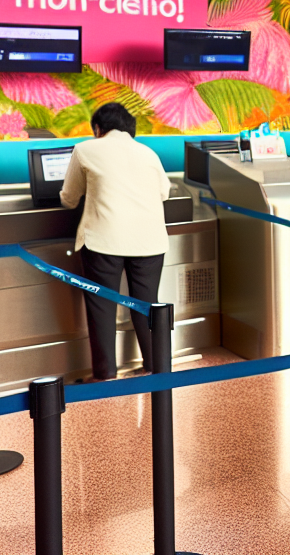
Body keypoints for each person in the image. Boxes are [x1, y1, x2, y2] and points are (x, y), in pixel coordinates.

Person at [60, 102, 173, 383]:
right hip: (150, 241)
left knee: (102, 308)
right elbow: (165, 192)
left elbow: (69, 197)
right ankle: (155, 368)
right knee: (146, 306)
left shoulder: (85, 149)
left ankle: (106, 375)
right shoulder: (148, 152)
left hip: (103, 241)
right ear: (129, 129)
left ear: (98, 128)